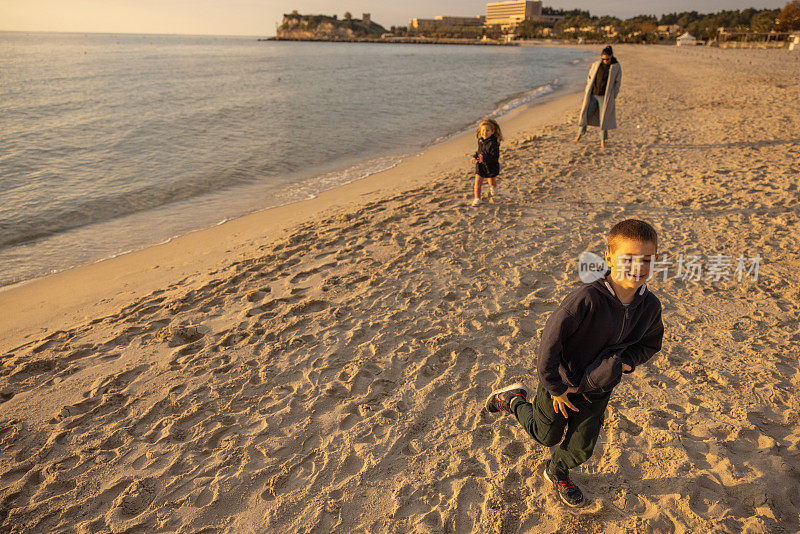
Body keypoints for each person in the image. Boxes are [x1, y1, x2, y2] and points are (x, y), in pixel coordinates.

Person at [484, 219, 664, 507]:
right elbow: (550, 342)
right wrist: (555, 387)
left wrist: (626, 362)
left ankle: (556, 471)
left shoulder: (650, 306)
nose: (637, 267)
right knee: (547, 435)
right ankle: (513, 400)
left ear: (656, 260)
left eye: (646, 259)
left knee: (581, 448)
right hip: (562, 383)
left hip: (598, 388)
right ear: (609, 258)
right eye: (628, 259)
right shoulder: (587, 298)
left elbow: (651, 343)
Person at [574, 45, 622, 149]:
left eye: (607, 59)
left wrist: (613, 95)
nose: (605, 61)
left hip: (605, 97)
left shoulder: (616, 67)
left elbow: (617, 83)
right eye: (603, 59)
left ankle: (602, 142)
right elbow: (590, 77)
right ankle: (578, 135)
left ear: (611, 56)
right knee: (585, 115)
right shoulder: (596, 64)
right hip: (593, 95)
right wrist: (588, 88)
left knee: (603, 120)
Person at [470, 119, 503, 207]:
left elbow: (495, 156)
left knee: (491, 181)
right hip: (481, 165)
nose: (485, 132)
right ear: (480, 131)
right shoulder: (480, 140)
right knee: (477, 183)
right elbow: (479, 151)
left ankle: (493, 187)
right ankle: (477, 198)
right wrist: (475, 156)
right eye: (483, 130)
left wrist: (484, 158)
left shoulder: (494, 143)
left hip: (491, 166)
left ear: (492, 131)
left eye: (487, 130)